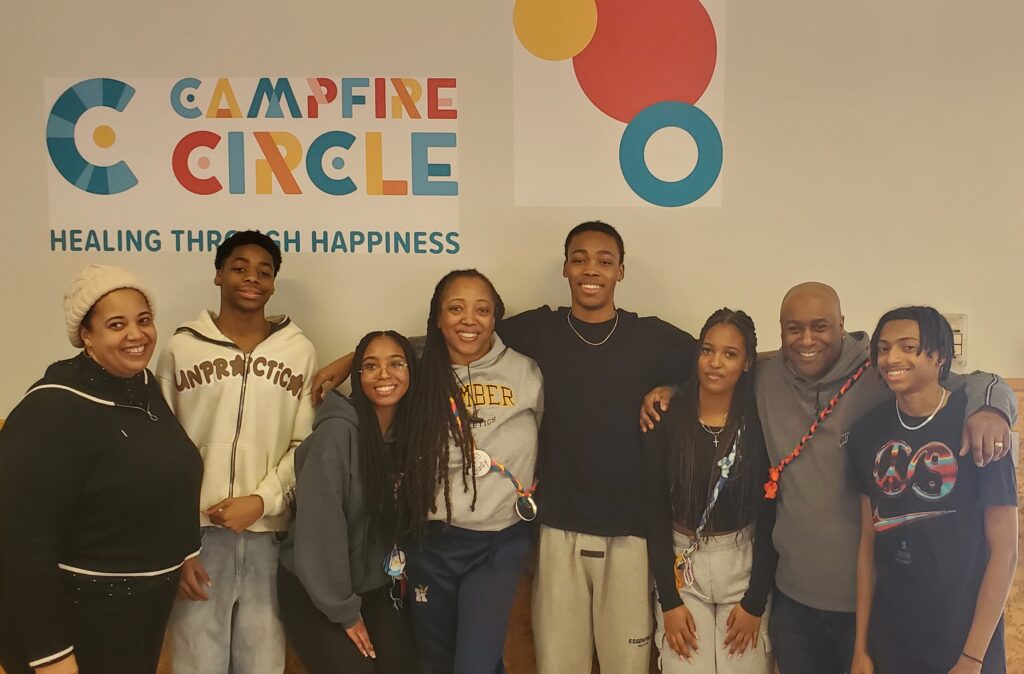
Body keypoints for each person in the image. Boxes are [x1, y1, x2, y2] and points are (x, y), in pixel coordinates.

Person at [315, 223, 696, 673]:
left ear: (621, 271)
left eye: (604, 260)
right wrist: (352, 361)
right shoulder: (538, 331)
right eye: (579, 259)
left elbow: (712, 362)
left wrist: (670, 390)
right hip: (534, 531)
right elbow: (447, 338)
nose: (591, 269)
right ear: (566, 268)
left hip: (596, 531)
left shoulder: (646, 337)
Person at [641, 282, 1016, 674]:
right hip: (794, 600)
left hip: (870, 608)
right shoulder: (767, 377)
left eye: (820, 327)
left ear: (842, 325)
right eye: (793, 328)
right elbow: (723, 369)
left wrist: (994, 407)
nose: (806, 340)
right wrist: (672, 391)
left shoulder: (880, 374)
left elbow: (972, 381)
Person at [0, 265, 202, 674]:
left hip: (140, 613)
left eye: (144, 320)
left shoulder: (142, 386)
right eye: (116, 324)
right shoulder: (50, 409)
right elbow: (22, 545)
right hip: (80, 621)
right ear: (86, 336)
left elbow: (168, 472)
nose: (136, 334)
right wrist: (52, 656)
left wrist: (184, 551)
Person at [157, 230, 318, 674]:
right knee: (197, 663)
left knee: (262, 664)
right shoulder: (180, 349)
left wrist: (261, 501)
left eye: (264, 272)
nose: (252, 278)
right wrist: (178, 544)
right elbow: (161, 450)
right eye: (240, 268)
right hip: (197, 540)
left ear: (272, 285)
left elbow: (303, 445)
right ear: (218, 275)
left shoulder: (298, 351)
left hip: (269, 538)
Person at [850, 307, 1017, 674]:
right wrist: (861, 648)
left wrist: (972, 659)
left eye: (909, 347)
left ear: (940, 356)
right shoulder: (866, 433)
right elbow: (867, 543)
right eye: (883, 348)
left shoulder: (978, 425)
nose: (892, 358)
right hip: (891, 641)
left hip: (964, 640)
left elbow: (1004, 550)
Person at [402, 269, 543, 674]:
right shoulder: (416, 367)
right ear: (438, 317)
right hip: (430, 540)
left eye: (482, 309)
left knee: (475, 665)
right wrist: (342, 366)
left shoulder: (526, 371)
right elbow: (374, 365)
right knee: (435, 662)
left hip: (496, 543)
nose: (469, 320)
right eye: (456, 308)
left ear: (495, 317)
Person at [277, 331, 418, 674]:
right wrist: (344, 613)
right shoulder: (336, 434)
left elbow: (451, 340)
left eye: (396, 364)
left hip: (373, 585)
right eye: (369, 367)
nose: (384, 374)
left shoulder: (410, 434)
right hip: (317, 588)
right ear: (357, 377)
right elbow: (319, 537)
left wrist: (349, 359)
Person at [645, 309, 776, 673]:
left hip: (742, 565)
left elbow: (769, 516)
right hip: (682, 569)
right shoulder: (666, 417)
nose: (715, 363)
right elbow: (654, 509)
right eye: (707, 350)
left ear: (747, 363)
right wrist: (669, 603)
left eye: (730, 354)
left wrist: (755, 603)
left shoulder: (760, 420)